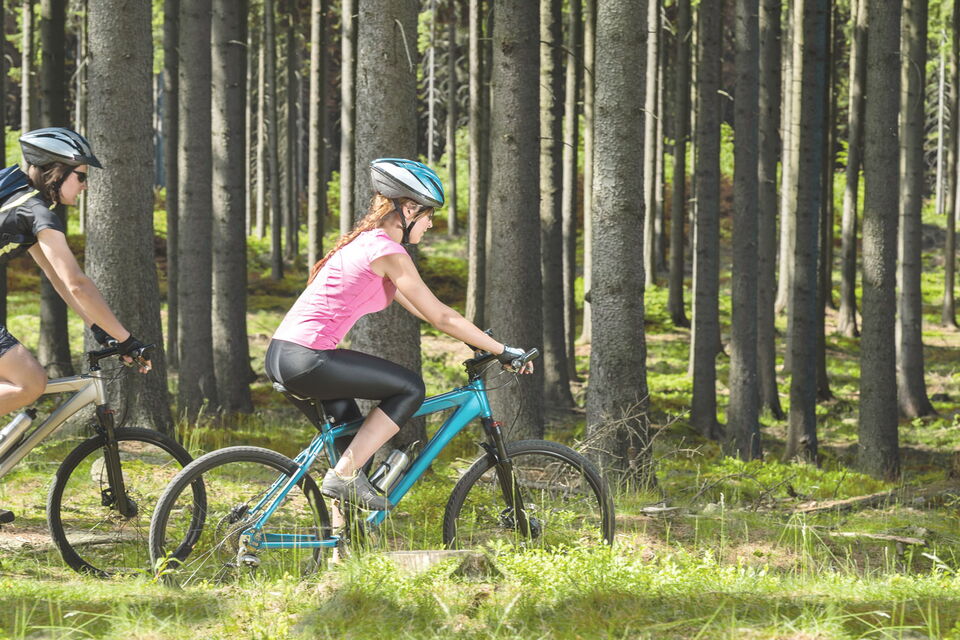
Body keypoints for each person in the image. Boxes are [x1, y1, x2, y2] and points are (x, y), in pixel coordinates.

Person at [265, 158, 532, 511]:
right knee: (410, 388)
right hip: (307, 358)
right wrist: (503, 350)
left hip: (284, 355)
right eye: (428, 215)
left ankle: (341, 537)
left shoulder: (368, 243)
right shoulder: (388, 252)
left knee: (353, 447)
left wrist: (475, 339)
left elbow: (423, 310)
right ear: (408, 210)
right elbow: (441, 315)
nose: (431, 224)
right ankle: (343, 477)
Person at [0, 128, 149, 526]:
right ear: (56, 172)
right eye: (80, 176)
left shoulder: (21, 200)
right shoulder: (35, 211)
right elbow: (78, 282)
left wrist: (99, 328)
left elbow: (58, 279)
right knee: (30, 382)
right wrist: (127, 339)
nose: (85, 185)